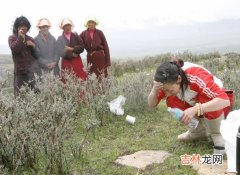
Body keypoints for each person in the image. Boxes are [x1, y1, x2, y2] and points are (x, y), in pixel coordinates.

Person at [148, 59, 230, 152]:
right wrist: (155, 90)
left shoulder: (195, 76)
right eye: (164, 90)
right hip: (192, 99)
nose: (166, 93)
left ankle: (217, 134)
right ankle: (197, 132)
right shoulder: (165, 82)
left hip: (216, 101)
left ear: (179, 79)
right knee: (172, 100)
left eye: (169, 90)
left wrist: (196, 109)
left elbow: (224, 100)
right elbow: (152, 104)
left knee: (207, 98)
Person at [8, 16, 40, 97]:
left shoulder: (31, 39)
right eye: (21, 26)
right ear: (17, 27)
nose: (24, 28)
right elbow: (15, 50)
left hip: (32, 72)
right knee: (20, 97)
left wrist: (33, 46)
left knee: (35, 96)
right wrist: (20, 37)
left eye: (25, 26)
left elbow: (38, 55)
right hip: (20, 73)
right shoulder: (12, 38)